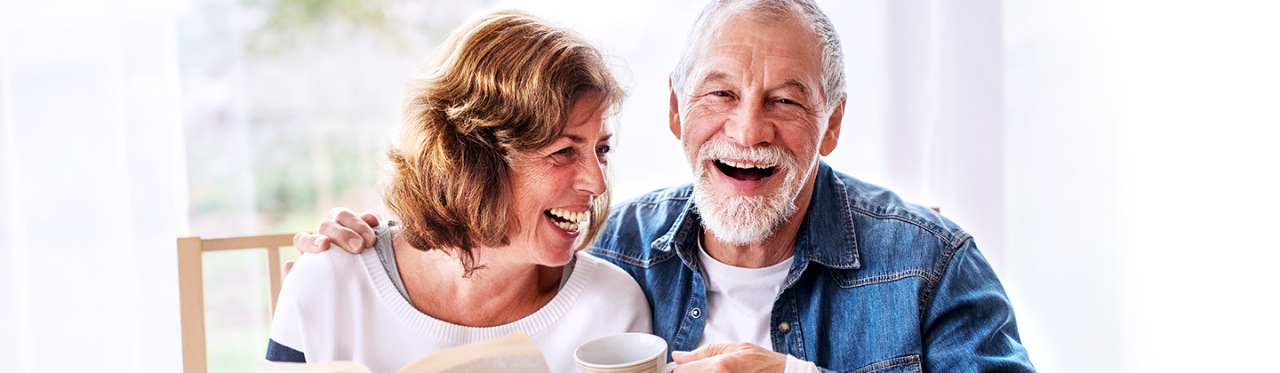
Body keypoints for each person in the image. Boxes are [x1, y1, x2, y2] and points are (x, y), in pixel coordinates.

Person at [299, 1, 1035, 372]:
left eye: (786, 100)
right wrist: (379, 240)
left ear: (831, 124)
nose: (747, 132)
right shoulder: (607, 251)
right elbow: (477, 256)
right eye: (719, 94)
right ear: (677, 111)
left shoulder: (931, 265)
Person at [265, 10, 651, 373]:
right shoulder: (331, 283)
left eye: (601, 150)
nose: (597, 182)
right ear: (470, 160)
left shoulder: (612, 307)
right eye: (563, 151)